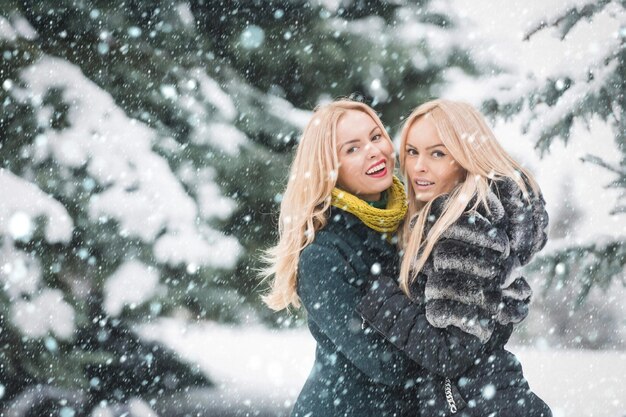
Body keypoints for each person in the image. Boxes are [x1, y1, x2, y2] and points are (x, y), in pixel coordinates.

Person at [262, 98, 517, 417]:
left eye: (375, 136)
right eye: (351, 149)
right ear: (330, 168)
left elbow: (473, 323)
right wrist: (459, 346)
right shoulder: (323, 256)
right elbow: (388, 364)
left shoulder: (417, 223)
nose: (372, 151)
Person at [355, 99, 553, 416]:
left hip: (474, 404)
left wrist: (382, 300)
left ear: (464, 159)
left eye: (437, 153)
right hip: (485, 398)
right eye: (412, 151)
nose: (419, 166)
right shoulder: (456, 223)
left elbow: (452, 353)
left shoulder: (465, 229)